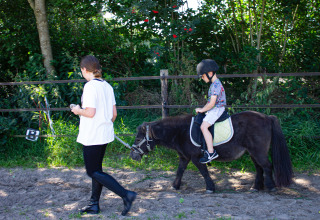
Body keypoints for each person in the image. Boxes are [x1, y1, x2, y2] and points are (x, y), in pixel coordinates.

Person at [71, 55, 137, 216]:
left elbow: (90, 112)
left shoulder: (90, 86)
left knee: (92, 171)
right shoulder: (107, 86)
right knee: (97, 170)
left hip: (93, 135)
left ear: (85, 70)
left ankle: (126, 194)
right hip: (105, 134)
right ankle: (94, 204)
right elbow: (113, 114)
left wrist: (77, 110)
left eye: (82, 71)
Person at [195, 59, 226, 164]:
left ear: (210, 73)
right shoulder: (215, 84)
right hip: (215, 108)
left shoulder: (215, 85)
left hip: (217, 109)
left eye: (202, 76)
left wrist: (201, 110)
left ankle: (211, 152)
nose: (202, 78)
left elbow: (212, 104)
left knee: (203, 127)